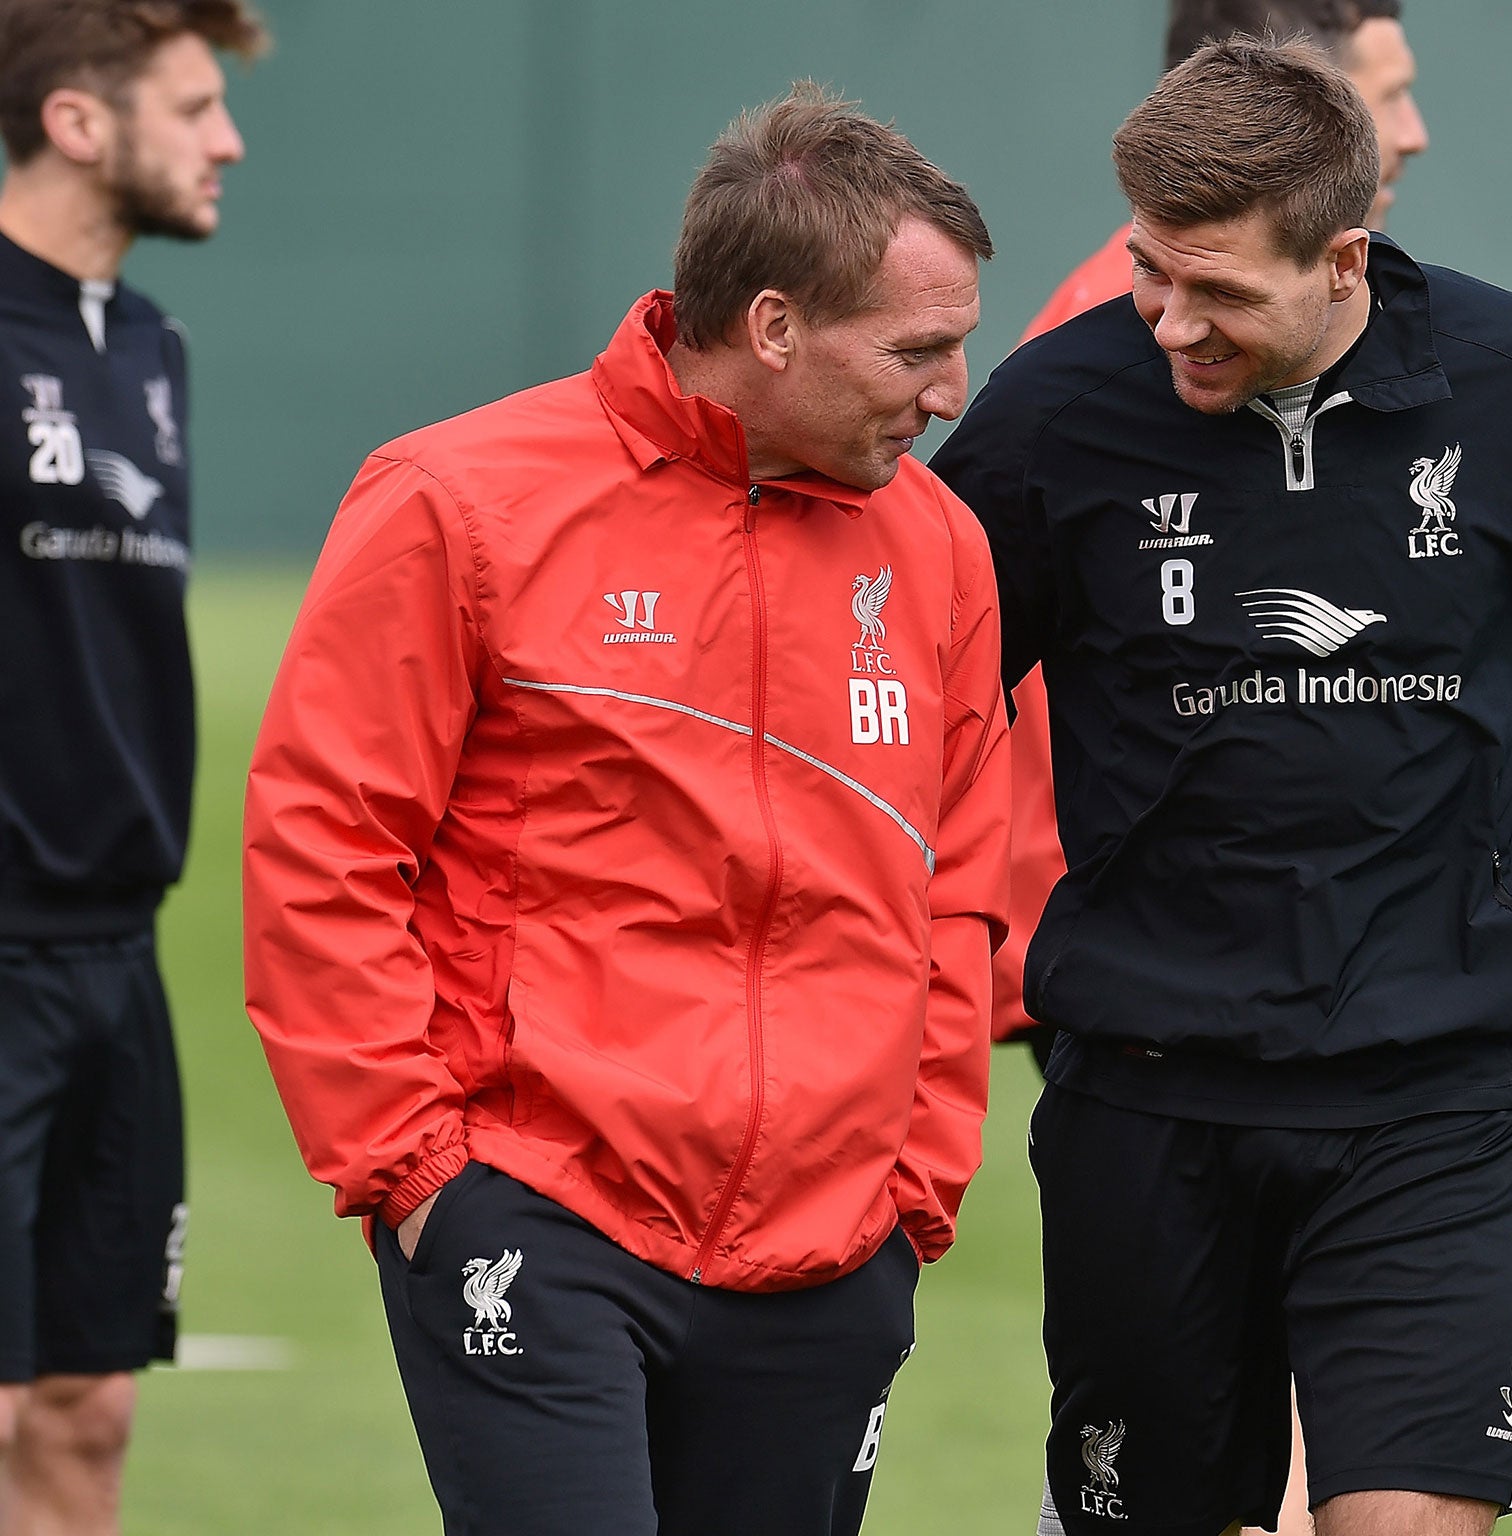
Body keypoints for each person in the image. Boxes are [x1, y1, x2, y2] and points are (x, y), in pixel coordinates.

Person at [933, 36, 1512, 1536]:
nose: (1170, 323)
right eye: (1153, 272)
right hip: (1148, 1099)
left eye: (1219, 290)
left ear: (1345, 256)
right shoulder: (1058, 414)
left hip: (1437, 1094)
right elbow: (917, 702)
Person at [242, 86, 1010, 1536]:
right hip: (535, 1211)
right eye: (917, 348)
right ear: (774, 327)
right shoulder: (454, 501)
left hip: (832, 1250)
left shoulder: (944, 551)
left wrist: (915, 1185)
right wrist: (417, 1170)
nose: (953, 389)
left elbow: (959, 879)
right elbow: (325, 841)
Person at [1000, 0, 1428, 1074]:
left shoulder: (1292, 313)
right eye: (1385, 97)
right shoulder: (1122, 353)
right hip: (1149, 944)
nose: (1412, 132)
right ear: (1291, 106)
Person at [0, 3, 264, 1532]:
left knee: (89, 1414)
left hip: (118, 954)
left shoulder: (149, 346)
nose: (226, 140)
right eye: (192, 106)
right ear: (80, 125)